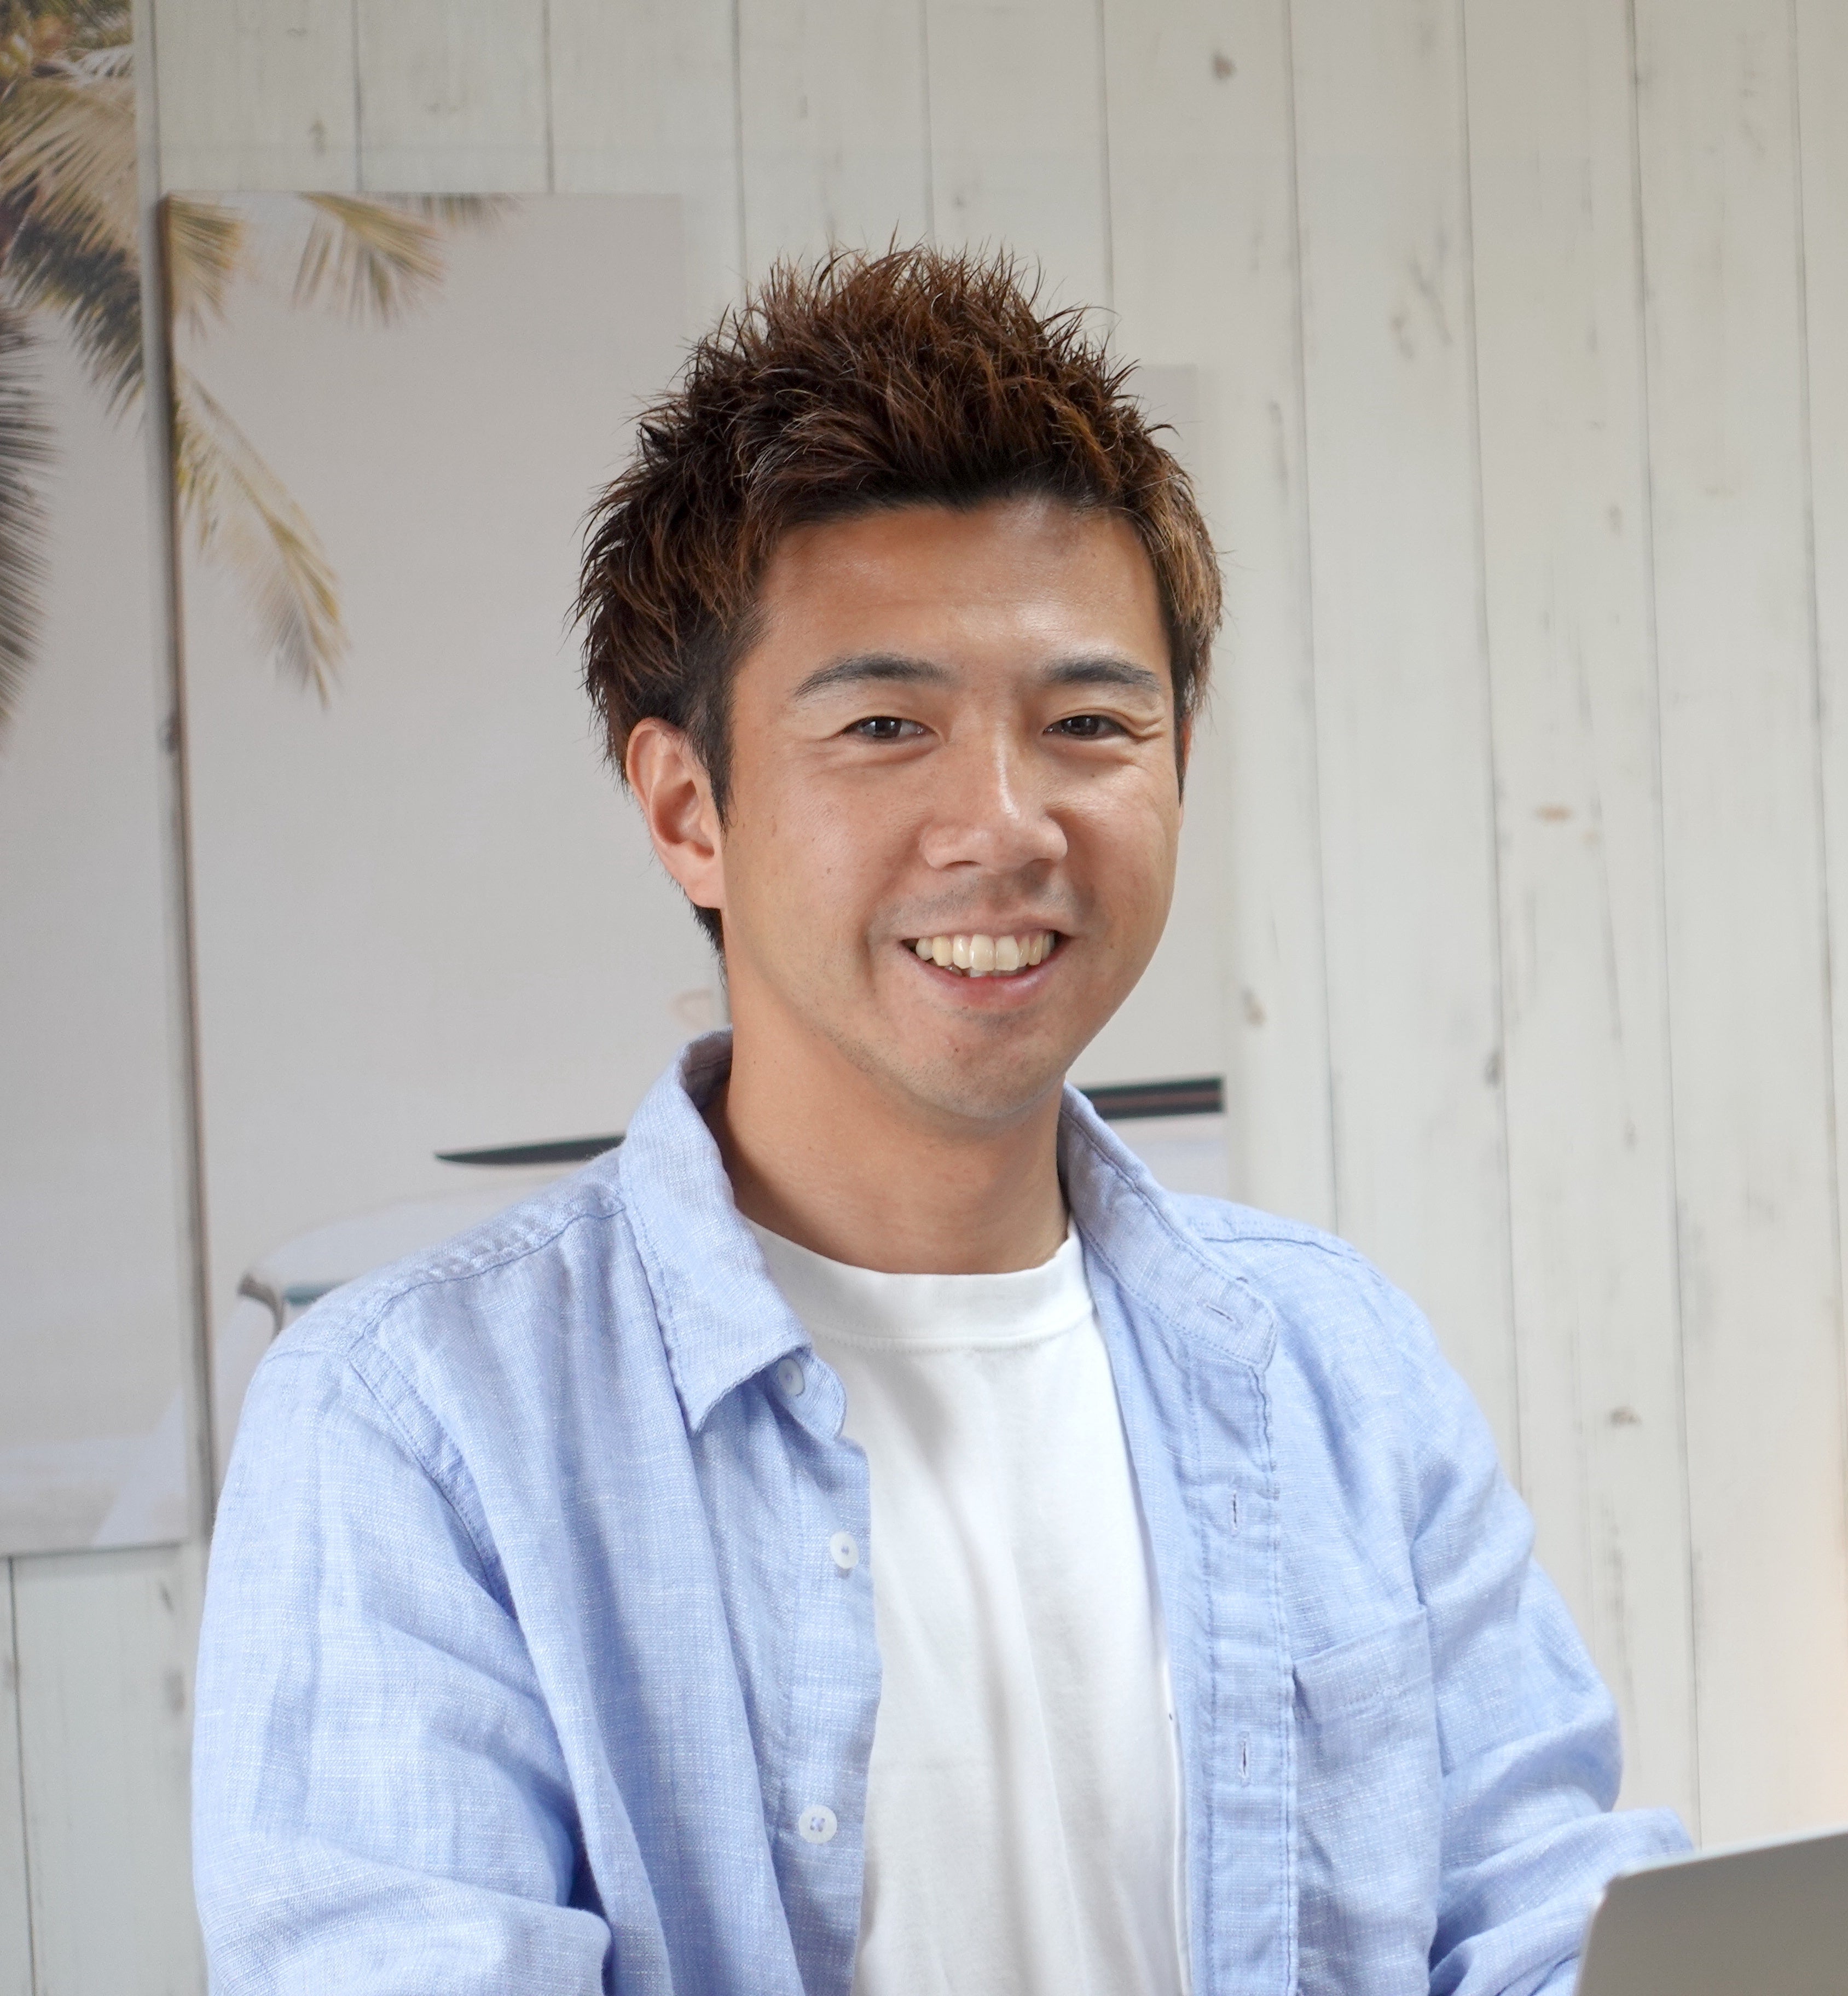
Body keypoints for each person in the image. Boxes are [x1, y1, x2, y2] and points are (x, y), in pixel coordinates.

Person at [189, 246, 1686, 1996]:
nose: (1006, 825)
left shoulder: (1337, 1361)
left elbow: (1552, 1927)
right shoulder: (418, 1423)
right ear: (687, 811)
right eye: (888, 725)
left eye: (1090, 723)